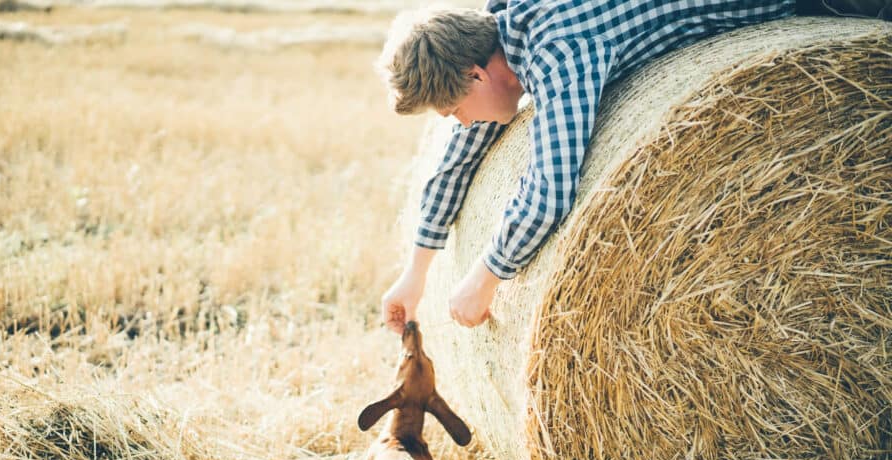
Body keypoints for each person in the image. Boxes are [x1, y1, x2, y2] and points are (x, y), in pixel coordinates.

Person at [377, 0, 890, 335]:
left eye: (454, 112)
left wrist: (485, 278)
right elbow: (459, 158)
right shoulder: (503, 23)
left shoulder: (559, 48)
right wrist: (416, 273)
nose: (461, 124)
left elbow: (550, 190)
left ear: (476, 74)